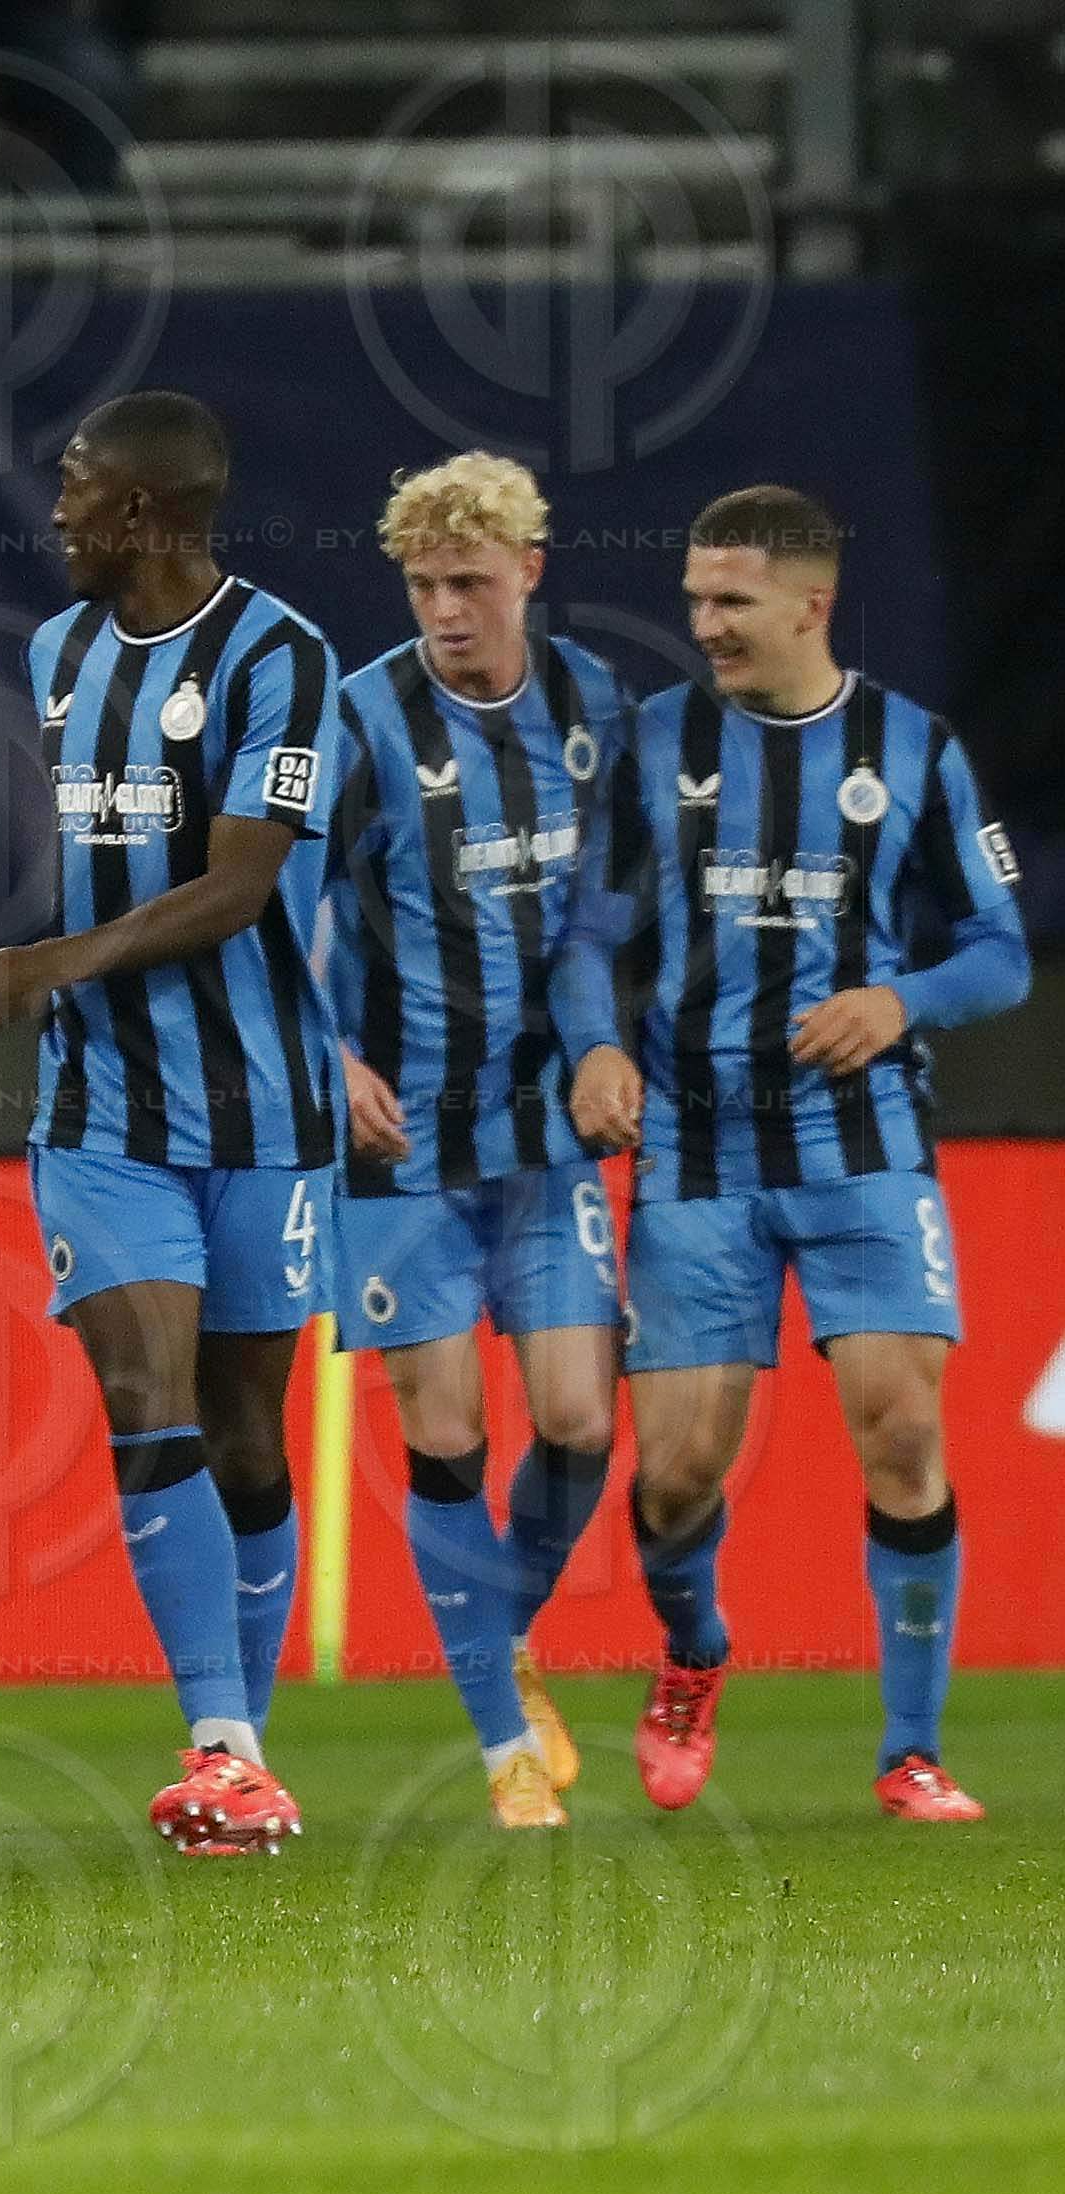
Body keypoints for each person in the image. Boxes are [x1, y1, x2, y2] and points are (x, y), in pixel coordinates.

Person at [553, 486, 1030, 1823]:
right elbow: (586, 939)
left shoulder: (910, 752)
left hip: (858, 1140)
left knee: (899, 1427)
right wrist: (594, 1048)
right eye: (693, 598)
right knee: (674, 1472)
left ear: (808, 605)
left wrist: (898, 1002)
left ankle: (908, 1751)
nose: (700, 624)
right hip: (695, 1147)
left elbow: (995, 951)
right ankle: (692, 1652)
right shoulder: (650, 748)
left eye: (728, 602)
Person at [0, 390, 344, 1856]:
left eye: (75, 485)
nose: (53, 510)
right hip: (102, 1107)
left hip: (261, 1106)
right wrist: (48, 980)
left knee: (244, 1436)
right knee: (139, 1391)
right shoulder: (56, 654)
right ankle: (217, 1745)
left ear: (147, 514)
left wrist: (33, 963)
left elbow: (236, 886)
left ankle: (247, 1746)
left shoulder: (283, 657)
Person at [314, 451, 622, 1829]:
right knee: (442, 1435)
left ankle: (494, 1631)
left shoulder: (588, 707)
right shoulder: (353, 720)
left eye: (467, 582)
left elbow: (592, 923)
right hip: (394, 1138)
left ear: (525, 575)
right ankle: (503, 1746)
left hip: (539, 1130)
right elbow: (265, 904)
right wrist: (324, 1055)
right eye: (421, 583)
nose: (443, 608)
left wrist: (601, 1034)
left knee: (574, 1415)